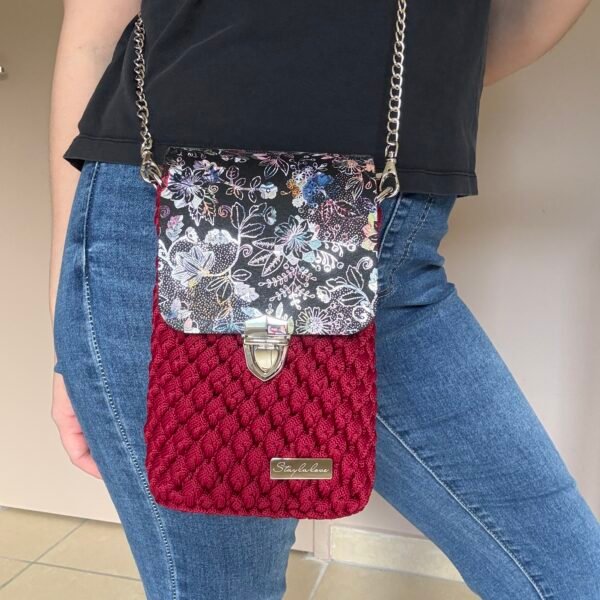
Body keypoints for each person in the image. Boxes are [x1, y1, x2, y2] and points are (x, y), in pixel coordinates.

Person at [49, 1, 599, 598]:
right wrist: (67, 328)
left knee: (566, 569)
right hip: (169, 236)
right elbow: (92, 36)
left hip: (388, 247)